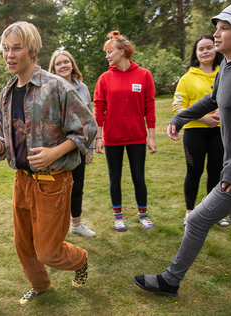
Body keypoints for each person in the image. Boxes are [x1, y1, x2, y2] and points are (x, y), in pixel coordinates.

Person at [134, 1, 231, 297]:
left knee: (197, 219)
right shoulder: (228, 66)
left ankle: (170, 280)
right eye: (216, 27)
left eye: (225, 28)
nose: (215, 35)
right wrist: (181, 117)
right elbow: (212, 99)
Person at [0, 21, 97, 304]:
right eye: (5, 49)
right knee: (24, 246)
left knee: (48, 251)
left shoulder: (56, 86)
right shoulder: (6, 94)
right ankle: (41, 285)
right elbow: (4, 139)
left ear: (32, 50)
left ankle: (79, 258)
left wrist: (55, 153)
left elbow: (87, 127)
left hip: (53, 183)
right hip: (22, 182)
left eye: (16, 48)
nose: (9, 54)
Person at [93, 30, 157, 232]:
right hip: (112, 137)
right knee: (115, 178)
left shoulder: (144, 75)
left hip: (137, 136)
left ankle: (143, 214)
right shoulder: (104, 78)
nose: (107, 56)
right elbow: (99, 109)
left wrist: (152, 136)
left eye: (110, 52)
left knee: (139, 176)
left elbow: (150, 106)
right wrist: (99, 137)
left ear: (122, 51)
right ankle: (118, 216)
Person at [173, 35, 230, 227]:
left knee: (216, 172)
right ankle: (190, 212)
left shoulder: (226, 72)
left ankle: (214, 212)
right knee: (194, 172)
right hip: (195, 131)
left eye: (209, 47)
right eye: (201, 49)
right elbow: (178, 108)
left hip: (221, 132)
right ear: (196, 53)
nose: (205, 52)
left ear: (216, 50)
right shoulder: (187, 78)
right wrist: (203, 117)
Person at [48, 50, 96, 238]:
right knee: (56, 188)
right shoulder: (50, 88)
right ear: (53, 68)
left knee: (77, 186)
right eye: (58, 63)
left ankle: (76, 224)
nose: (63, 66)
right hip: (57, 148)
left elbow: (89, 120)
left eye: (66, 62)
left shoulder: (82, 88)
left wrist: (89, 148)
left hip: (79, 147)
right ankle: (54, 228)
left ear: (72, 64)